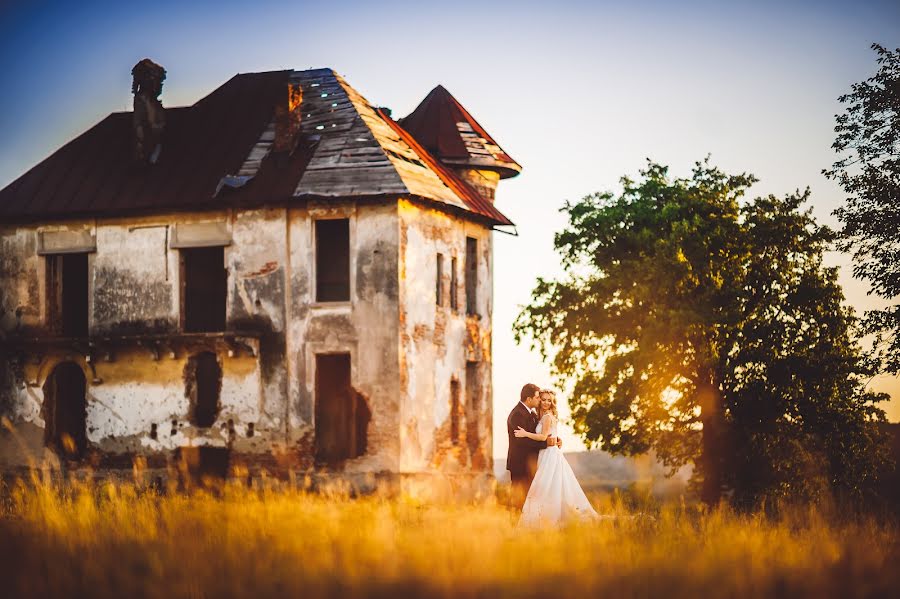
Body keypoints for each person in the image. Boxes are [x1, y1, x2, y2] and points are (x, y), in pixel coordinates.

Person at [515, 389, 598, 527]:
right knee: (551, 485)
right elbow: (549, 435)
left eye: (550, 400)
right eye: (544, 399)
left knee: (544, 486)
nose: (547, 402)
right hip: (546, 453)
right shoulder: (540, 415)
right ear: (539, 400)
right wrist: (557, 438)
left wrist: (525, 433)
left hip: (549, 455)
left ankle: (544, 519)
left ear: (553, 403)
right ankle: (548, 516)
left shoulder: (547, 416)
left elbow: (542, 437)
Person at [506, 383, 559, 510]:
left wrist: (555, 439)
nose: (540, 400)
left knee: (531, 498)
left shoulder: (532, 413)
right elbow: (522, 441)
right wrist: (546, 443)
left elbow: (541, 432)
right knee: (519, 498)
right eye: (537, 397)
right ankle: (516, 527)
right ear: (529, 399)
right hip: (520, 464)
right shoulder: (517, 414)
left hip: (532, 462)